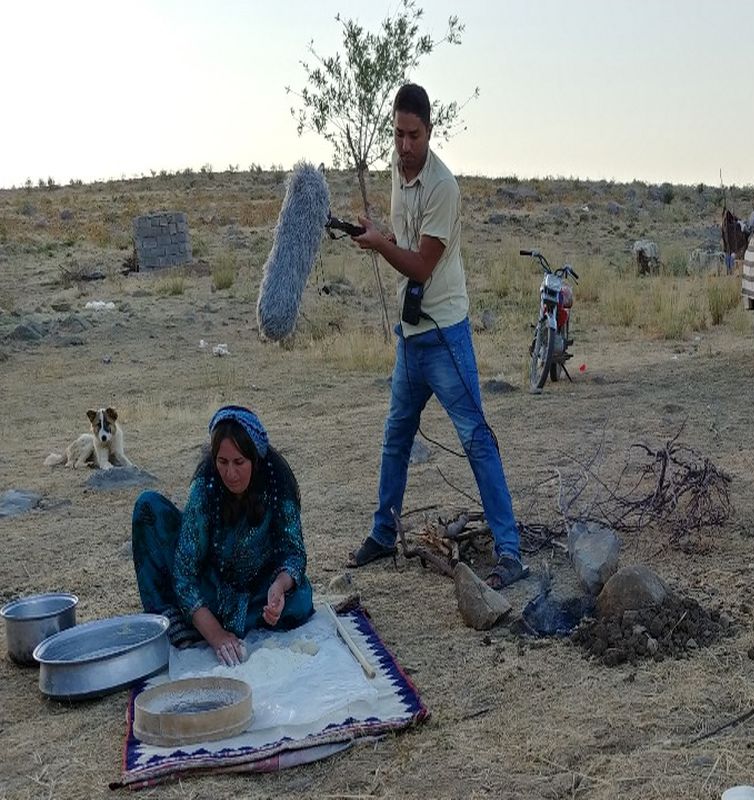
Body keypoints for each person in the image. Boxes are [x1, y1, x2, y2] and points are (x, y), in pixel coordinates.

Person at [347, 83, 528, 589]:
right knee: (395, 435)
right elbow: (405, 242)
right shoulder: (398, 173)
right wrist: (378, 233)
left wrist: (381, 245)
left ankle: (510, 552)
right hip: (411, 336)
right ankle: (384, 534)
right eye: (398, 134)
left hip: (445, 332)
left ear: (430, 131)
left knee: (475, 437)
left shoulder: (444, 185)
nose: (403, 146)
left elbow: (423, 265)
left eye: (413, 136)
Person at [132, 406, 313, 666]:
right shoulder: (205, 488)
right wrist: (216, 636)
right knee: (148, 506)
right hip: (212, 584)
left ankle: (202, 622)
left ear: (256, 458)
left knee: (299, 603)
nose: (230, 473)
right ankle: (180, 622)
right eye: (222, 462)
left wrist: (280, 586)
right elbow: (184, 575)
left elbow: (294, 552)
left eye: (239, 462)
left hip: (259, 589)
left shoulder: (277, 483)